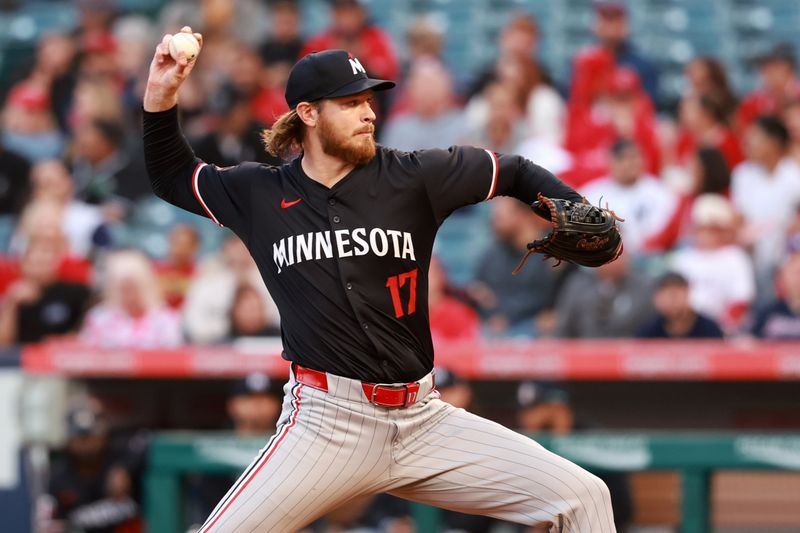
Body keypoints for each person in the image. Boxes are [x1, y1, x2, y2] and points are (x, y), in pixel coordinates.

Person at [143, 29, 616, 532]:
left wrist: (572, 206)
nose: (369, 113)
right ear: (308, 114)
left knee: (583, 496)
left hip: (424, 420)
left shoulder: (414, 177)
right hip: (327, 424)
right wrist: (161, 94)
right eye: (350, 103)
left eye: (369, 100)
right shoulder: (259, 193)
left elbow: (512, 170)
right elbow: (172, 176)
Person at [471, 196, 564, 337]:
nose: (494, 222)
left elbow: (549, 299)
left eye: (499, 217)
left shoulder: (554, 252)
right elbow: (479, 292)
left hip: (537, 331)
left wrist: (505, 314)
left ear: (522, 215)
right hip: (494, 328)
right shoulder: (493, 254)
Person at [731, 116, 800, 288]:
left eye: (755, 138)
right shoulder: (742, 174)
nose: (747, 143)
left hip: (786, 257)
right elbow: (738, 216)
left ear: (773, 142)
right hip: (750, 254)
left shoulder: (794, 176)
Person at [670, 194, 755, 333]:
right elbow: (672, 297)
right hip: (686, 326)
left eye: (713, 229)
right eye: (703, 228)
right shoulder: (682, 258)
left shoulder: (735, 257)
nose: (707, 234)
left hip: (723, 329)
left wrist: (722, 328)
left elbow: (741, 299)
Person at [581, 139, 676, 256]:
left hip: (648, 256)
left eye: (635, 157)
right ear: (611, 162)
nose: (631, 163)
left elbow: (664, 232)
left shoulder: (660, 192)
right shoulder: (593, 193)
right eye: (623, 158)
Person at [182, 235, 279, 344]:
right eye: (235, 248)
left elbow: (281, 317)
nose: (239, 254)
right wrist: (228, 325)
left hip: (267, 339)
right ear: (225, 250)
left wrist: (257, 320)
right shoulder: (208, 283)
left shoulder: (270, 280)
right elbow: (192, 322)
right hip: (219, 343)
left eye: (244, 248)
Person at [0, 233, 91, 347]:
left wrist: (62, 341)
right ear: (24, 264)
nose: (41, 268)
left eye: (46, 262)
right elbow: (3, 343)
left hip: (60, 357)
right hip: (21, 359)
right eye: (37, 262)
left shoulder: (76, 292)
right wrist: (11, 304)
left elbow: (87, 333)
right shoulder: (13, 296)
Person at [80, 250, 183, 348]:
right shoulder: (98, 319)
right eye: (123, 288)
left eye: (133, 287)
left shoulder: (165, 320)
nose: (129, 295)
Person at [554, 251, 653, 338]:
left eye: (619, 255)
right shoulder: (579, 285)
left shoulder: (642, 286)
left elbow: (648, 325)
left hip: (629, 351)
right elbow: (564, 325)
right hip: (585, 350)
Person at [637, 272, 723, 339]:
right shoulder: (649, 332)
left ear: (687, 293)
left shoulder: (710, 330)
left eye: (675, 295)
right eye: (665, 296)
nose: (671, 301)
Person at [737, 43, 800, 131]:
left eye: (775, 66)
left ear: (789, 68)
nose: (768, 73)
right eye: (764, 67)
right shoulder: (752, 102)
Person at [751, 249, 800, 339]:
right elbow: (751, 341)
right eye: (795, 273)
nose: (798, 278)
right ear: (783, 275)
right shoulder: (768, 313)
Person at [154, 223, 200, 309]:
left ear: (195, 247)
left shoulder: (200, 274)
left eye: (185, 245)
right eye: (176, 243)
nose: (179, 249)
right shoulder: (155, 270)